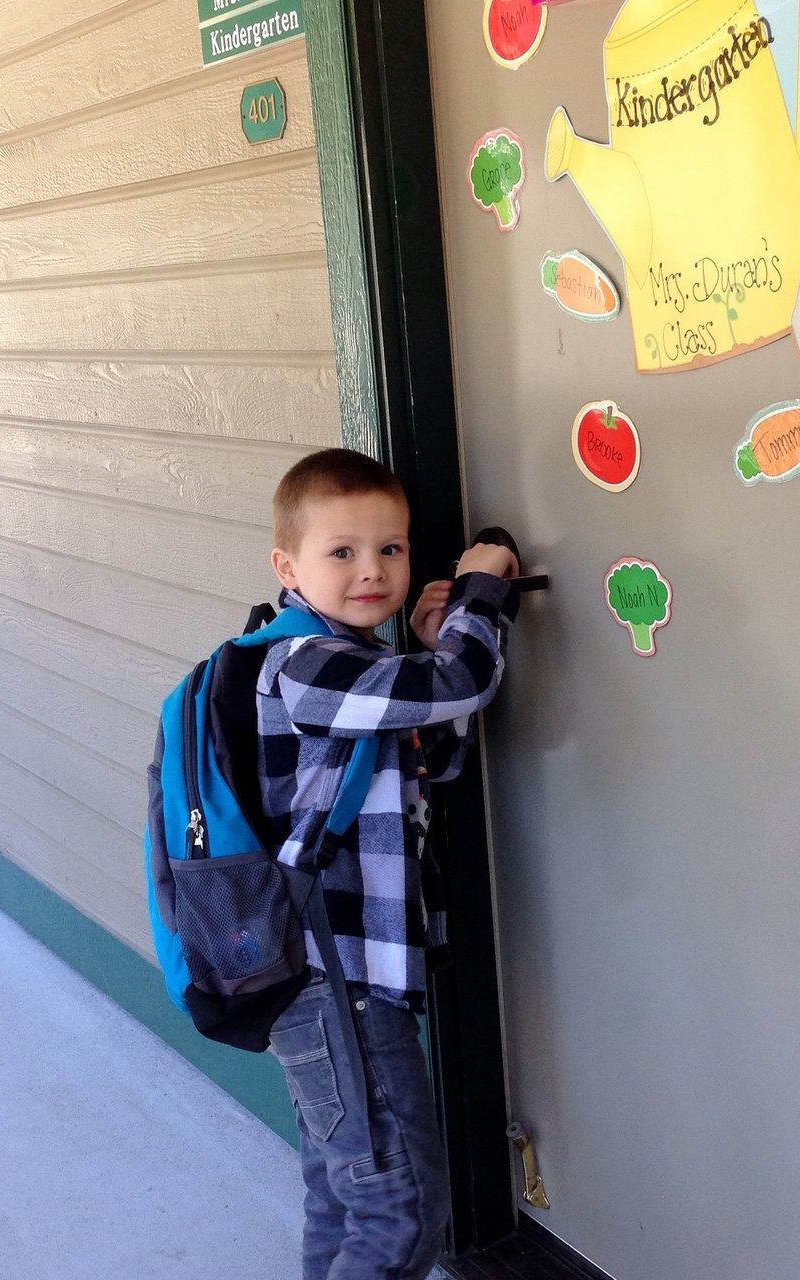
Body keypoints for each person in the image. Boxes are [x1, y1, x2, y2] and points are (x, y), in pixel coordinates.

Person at [258, 447, 519, 1280]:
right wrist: (485, 589)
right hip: (337, 983)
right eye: (342, 552)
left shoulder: (358, 665)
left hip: (332, 980)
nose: (371, 570)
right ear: (286, 566)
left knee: (345, 1198)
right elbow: (468, 679)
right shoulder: (306, 665)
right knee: (399, 1215)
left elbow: (431, 758)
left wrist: (426, 645)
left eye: (392, 549)